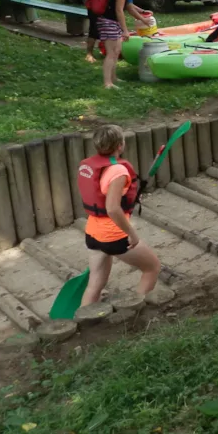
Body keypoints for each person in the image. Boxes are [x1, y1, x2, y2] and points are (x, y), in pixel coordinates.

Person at [77, 125, 160, 306]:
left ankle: (85, 321)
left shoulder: (89, 165)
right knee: (152, 268)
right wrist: (132, 233)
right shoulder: (118, 171)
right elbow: (113, 208)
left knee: (95, 285)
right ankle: (134, 309)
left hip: (92, 233)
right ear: (120, 146)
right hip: (113, 237)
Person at [98, 0, 150, 87]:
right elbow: (119, 9)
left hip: (112, 21)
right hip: (108, 21)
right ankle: (107, 82)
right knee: (111, 52)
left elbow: (129, 6)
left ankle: (113, 78)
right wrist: (125, 30)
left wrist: (143, 14)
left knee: (117, 50)